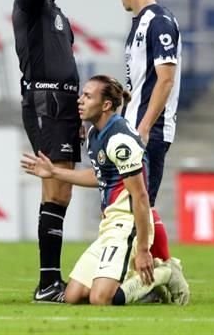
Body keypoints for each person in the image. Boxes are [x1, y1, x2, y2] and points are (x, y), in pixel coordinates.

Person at [21, 75, 190, 305]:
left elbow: (140, 197)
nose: (80, 100)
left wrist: (142, 249)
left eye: (88, 96)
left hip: (128, 224)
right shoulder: (95, 135)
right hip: (110, 225)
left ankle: (166, 272)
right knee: (72, 295)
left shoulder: (120, 140)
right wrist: (54, 173)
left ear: (106, 105)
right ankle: (136, 281)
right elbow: (100, 177)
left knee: (100, 298)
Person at [12, 0, 81, 302]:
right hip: (44, 103)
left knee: (61, 193)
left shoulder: (60, 16)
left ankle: (50, 278)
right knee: (55, 190)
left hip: (65, 106)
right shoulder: (30, 1)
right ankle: (47, 283)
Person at [116, 0, 181, 265]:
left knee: (139, 209)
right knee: (131, 209)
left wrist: (142, 129)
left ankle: (159, 272)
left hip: (148, 132)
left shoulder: (160, 22)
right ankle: (155, 270)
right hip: (134, 128)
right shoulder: (140, 23)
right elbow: (140, 83)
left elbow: (165, 80)